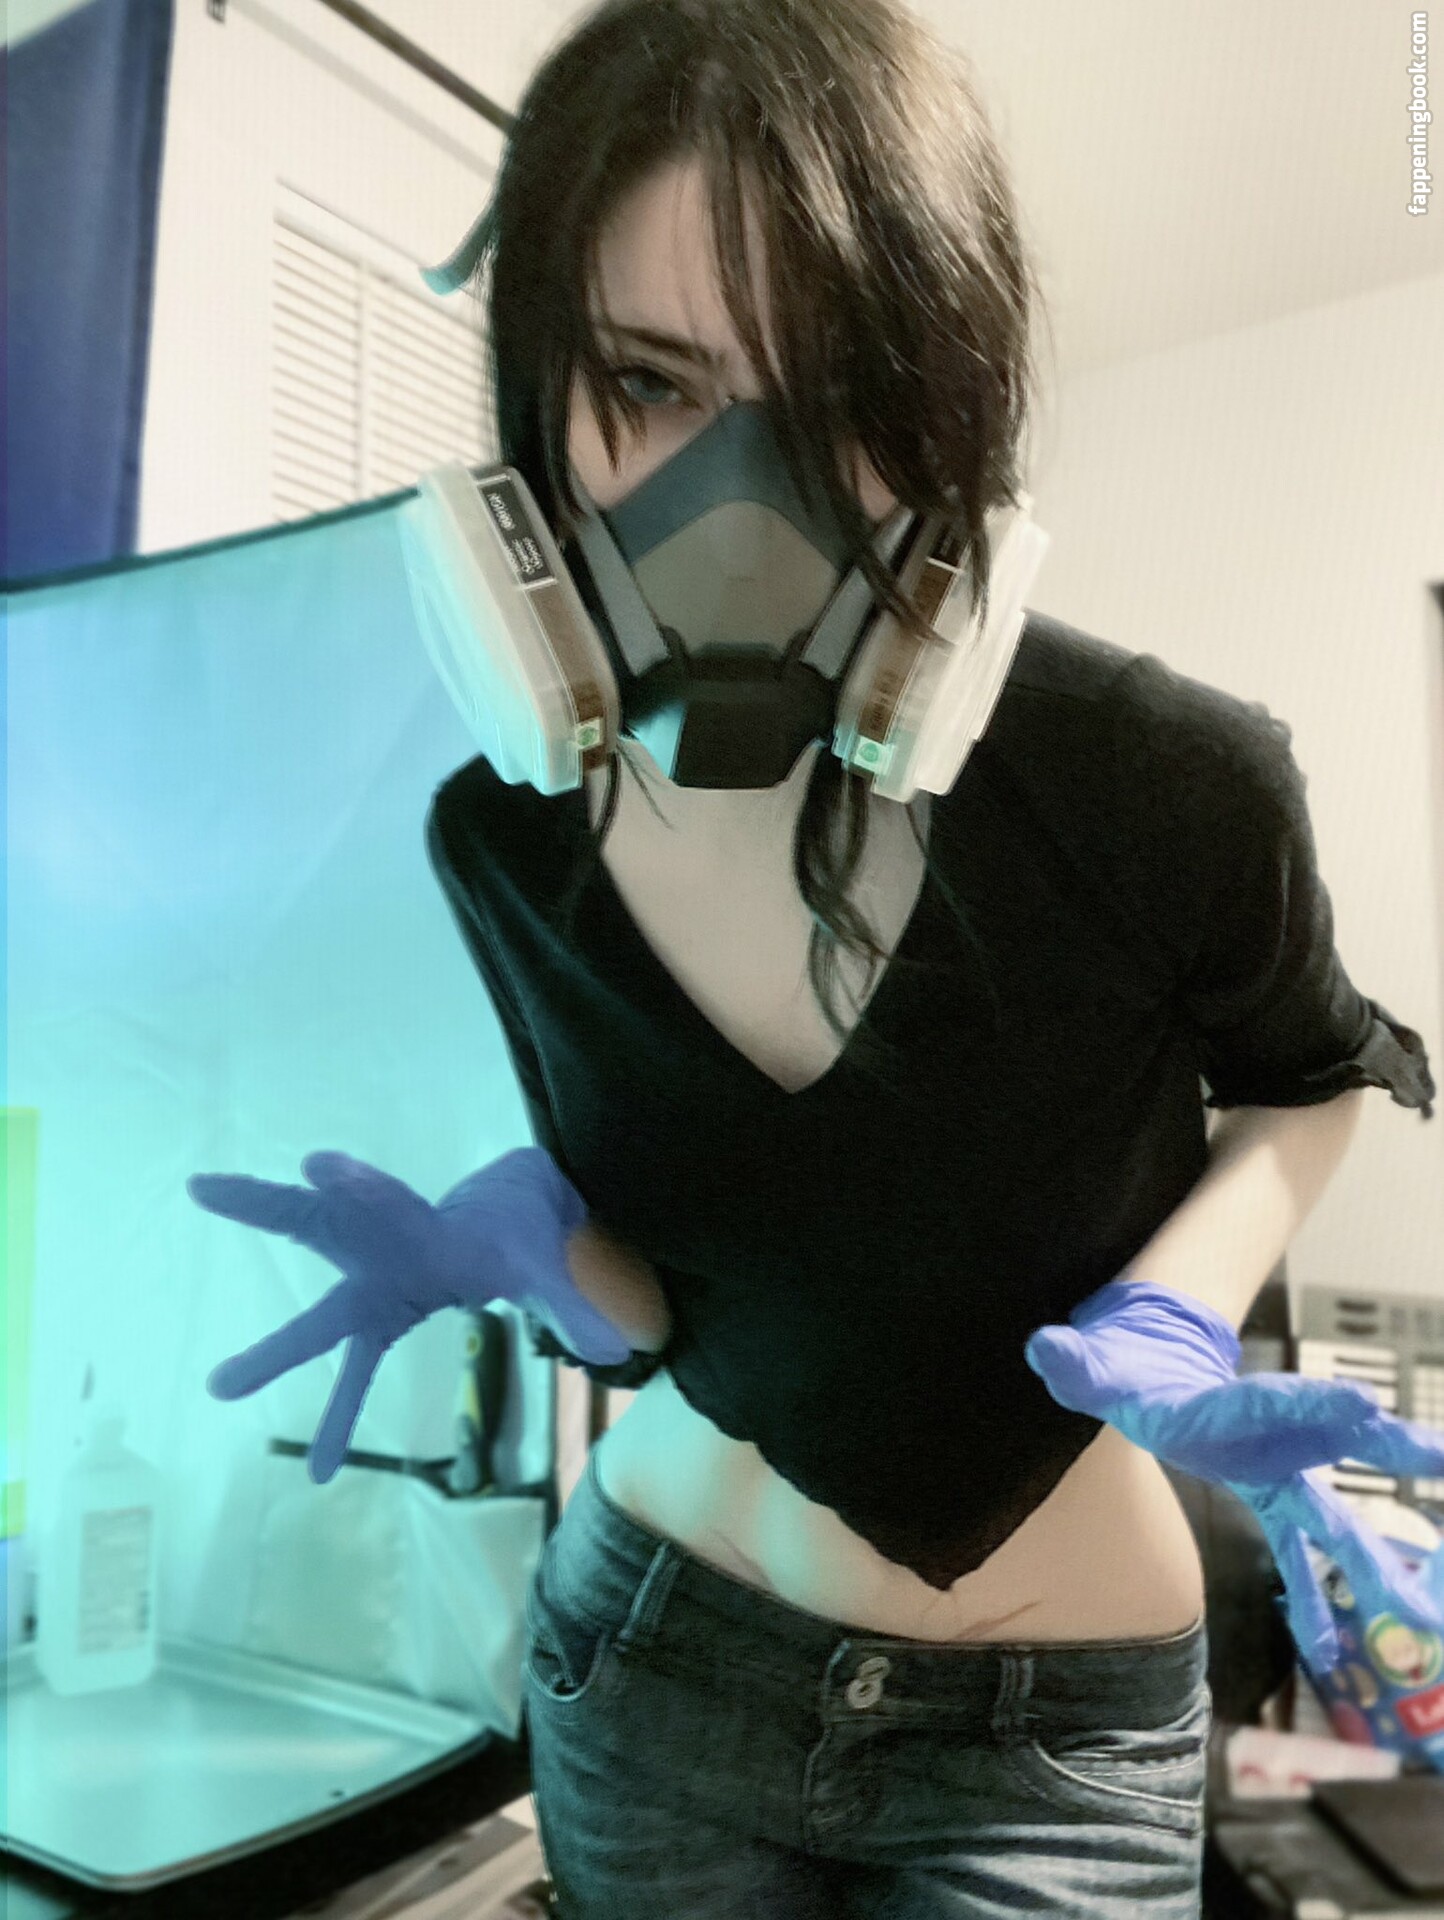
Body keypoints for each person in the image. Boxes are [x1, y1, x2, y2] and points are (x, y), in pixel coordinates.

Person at [193, 2, 1440, 1915]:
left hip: (1053, 1737)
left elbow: (1311, 1071)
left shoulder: (1164, 780)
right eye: (651, 379)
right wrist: (530, 1259)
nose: (735, 503)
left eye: (844, 392)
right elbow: (659, 1309)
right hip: (647, 1649)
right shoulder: (507, 838)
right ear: (542, 392)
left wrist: (1183, 1306)